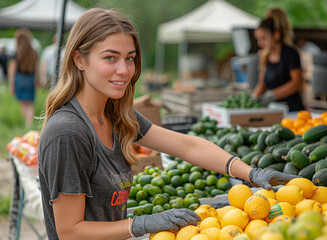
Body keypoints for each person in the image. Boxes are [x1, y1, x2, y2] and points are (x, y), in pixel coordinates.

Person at [38, 8, 297, 239]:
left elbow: (187, 146)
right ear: (79, 60)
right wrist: (140, 224)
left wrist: (250, 173)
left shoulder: (116, 114)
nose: (124, 70)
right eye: (110, 58)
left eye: (129, 58)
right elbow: (70, 231)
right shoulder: (68, 132)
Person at [252, 15, 305, 112]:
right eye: (258, 39)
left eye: (263, 38)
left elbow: (296, 83)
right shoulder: (264, 57)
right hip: (274, 110)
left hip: (293, 110)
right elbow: (261, 85)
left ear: (276, 35)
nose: (260, 43)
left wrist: (272, 95)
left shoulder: (290, 53)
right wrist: (253, 99)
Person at [8, 28, 39, 126]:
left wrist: (11, 85)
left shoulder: (16, 53)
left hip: (19, 79)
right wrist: (37, 79)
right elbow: (37, 67)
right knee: (30, 103)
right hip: (30, 79)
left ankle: (26, 121)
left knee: (23, 102)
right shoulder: (33, 52)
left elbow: (12, 70)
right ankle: (29, 123)